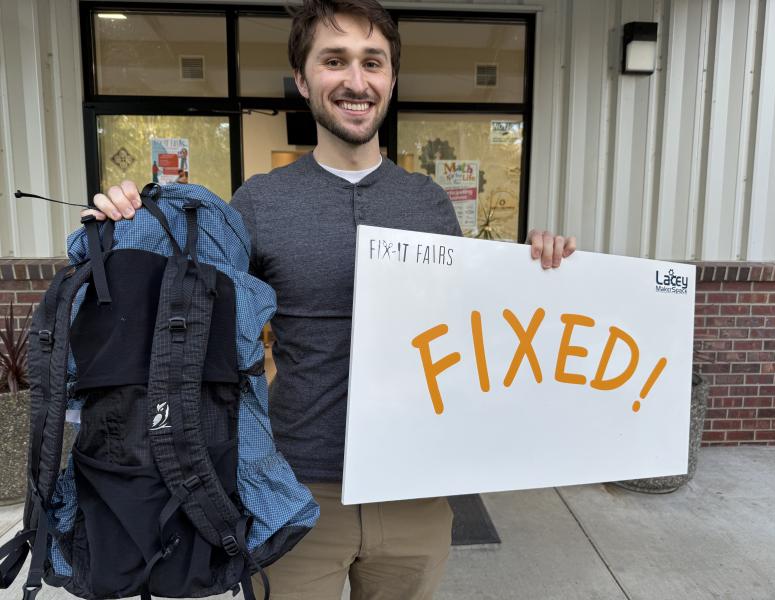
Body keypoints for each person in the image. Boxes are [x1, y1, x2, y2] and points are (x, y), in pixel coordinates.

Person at [83, 1, 576, 598]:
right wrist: (130, 230)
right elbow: (190, 308)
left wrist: (546, 272)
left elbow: (475, 327)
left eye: (373, 62)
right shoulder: (261, 201)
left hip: (414, 487)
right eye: (334, 61)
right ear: (303, 80)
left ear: (391, 79)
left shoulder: (429, 203)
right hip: (295, 488)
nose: (356, 80)